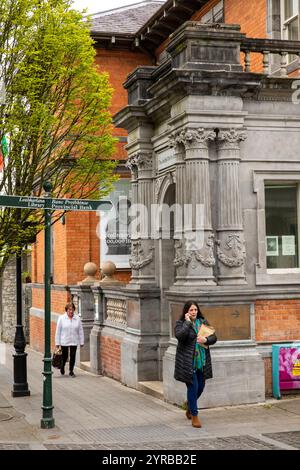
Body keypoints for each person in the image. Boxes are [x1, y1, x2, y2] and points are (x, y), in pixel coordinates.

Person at [174, 300, 217, 428]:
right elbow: (180, 336)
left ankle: (189, 406)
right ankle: (194, 416)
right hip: (188, 362)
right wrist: (187, 323)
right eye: (191, 310)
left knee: (201, 387)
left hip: (202, 361)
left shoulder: (203, 322)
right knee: (193, 387)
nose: (194, 312)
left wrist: (206, 339)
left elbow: (214, 337)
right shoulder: (181, 323)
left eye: (195, 310)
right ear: (187, 311)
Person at [55, 302, 84, 377]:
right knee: (65, 356)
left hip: (74, 340)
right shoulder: (61, 318)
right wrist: (57, 343)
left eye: (72, 309)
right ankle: (62, 366)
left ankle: (71, 371)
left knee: (73, 356)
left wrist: (81, 341)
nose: (71, 311)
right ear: (66, 310)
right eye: (69, 309)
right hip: (64, 340)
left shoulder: (77, 318)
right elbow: (58, 331)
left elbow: (80, 331)